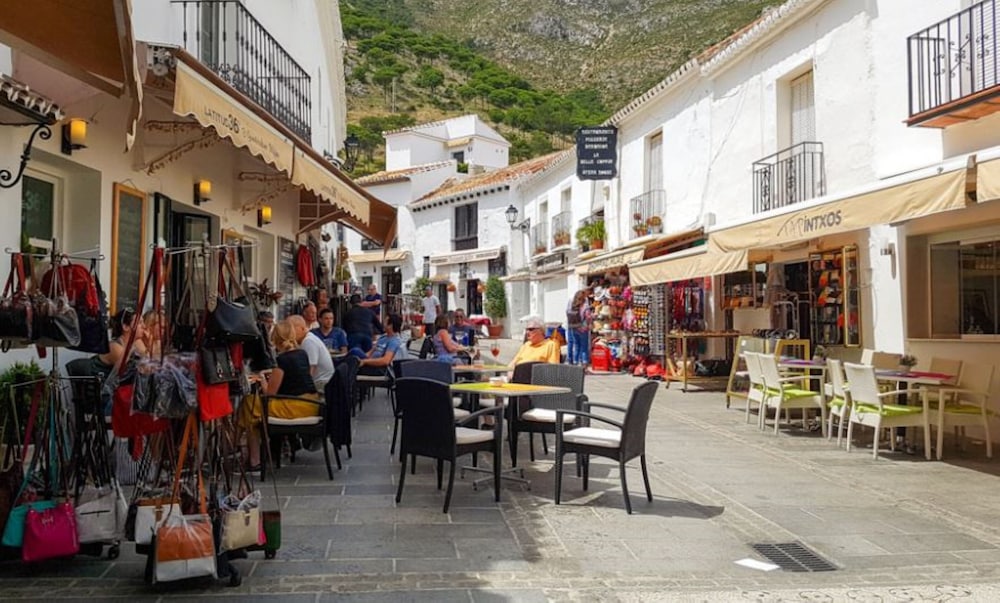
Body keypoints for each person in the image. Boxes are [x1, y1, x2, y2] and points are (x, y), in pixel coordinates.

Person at [240, 319, 319, 469]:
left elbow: (270, 394)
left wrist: (262, 378)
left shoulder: (281, 360)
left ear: (275, 339)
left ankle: (254, 459)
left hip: (294, 407)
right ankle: (262, 453)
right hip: (310, 403)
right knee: (254, 409)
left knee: (250, 405)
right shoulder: (302, 353)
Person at [289, 315, 335, 390]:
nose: (289, 333)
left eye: (291, 329)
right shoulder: (307, 338)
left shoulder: (308, 341)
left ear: (302, 328)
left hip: (322, 384)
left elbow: (311, 370)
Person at [567, 290, 590, 365]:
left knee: (576, 346)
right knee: (584, 347)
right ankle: (583, 363)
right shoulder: (585, 306)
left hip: (574, 328)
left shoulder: (573, 306)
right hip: (583, 329)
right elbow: (588, 317)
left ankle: (575, 362)